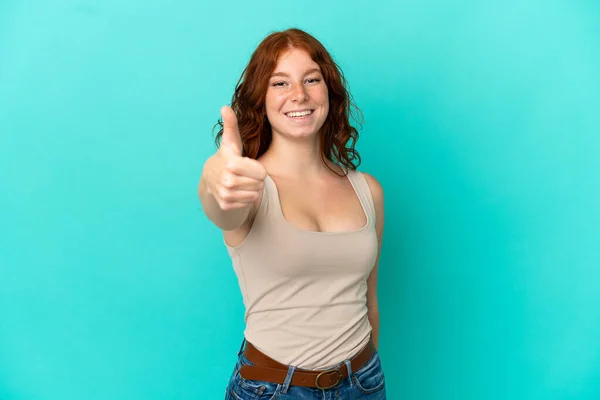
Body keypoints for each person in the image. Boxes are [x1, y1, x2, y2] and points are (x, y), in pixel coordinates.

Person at [198, 28, 387, 399]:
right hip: (273, 389)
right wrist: (213, 180)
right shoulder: (248, 187)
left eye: (311, 79)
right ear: (261, 100)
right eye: (279, 83)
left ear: (328, 92)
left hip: (363, 383)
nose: (298, 94)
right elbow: (221, 208)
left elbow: (370, 299)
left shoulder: (368, 191)